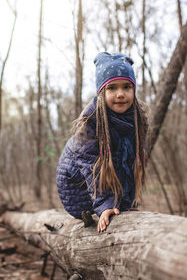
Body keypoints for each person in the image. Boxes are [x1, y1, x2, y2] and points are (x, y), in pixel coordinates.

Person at [56, 52, 148, 233]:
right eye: (112, 88)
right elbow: (92, 168)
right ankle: (107, 204)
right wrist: (105, 204)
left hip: (107, 189)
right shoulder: (91, 124)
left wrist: (127, 201)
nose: (120, 94)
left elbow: (129, 161)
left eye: (127, 87)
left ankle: (120, 202)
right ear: (101, 92)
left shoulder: (136, 119)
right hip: (79, 192)